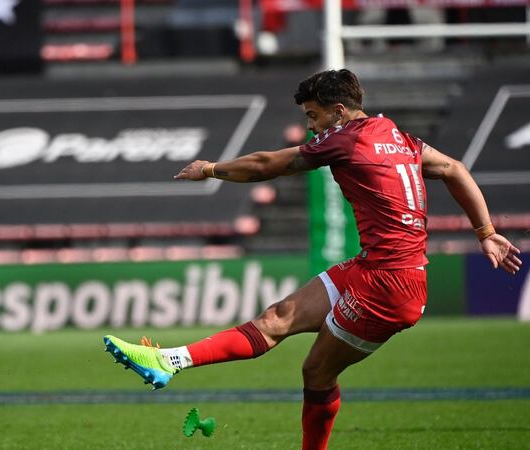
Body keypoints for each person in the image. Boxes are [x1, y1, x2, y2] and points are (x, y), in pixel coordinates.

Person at [102, 69, 522, 450]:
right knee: (278, 317)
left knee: (316, 372)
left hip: (390, 286)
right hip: (373, 267)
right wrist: (485, 232)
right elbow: (454, 167)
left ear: (339, 111)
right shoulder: (396, 135)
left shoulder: (345, 138)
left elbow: (270, 164)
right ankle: (168, 361)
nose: (310, 126)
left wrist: (210, 169)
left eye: (314, 115)